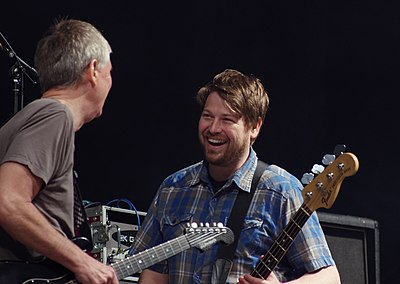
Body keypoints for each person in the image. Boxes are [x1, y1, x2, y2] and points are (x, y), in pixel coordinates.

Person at [129, 69, 341, 284]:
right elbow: (153, 275)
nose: (213, 128)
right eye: (207, 116)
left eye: (227, 120)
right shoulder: (173, 189)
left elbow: (329, 277)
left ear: (255, 127)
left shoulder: (280, 190)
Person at [0, 19, 118, 283]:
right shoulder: (54, 114)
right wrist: (81, 262)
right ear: (93, 70)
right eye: (110, 72)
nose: (111, 82)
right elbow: (8, 201)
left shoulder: (33, 116)